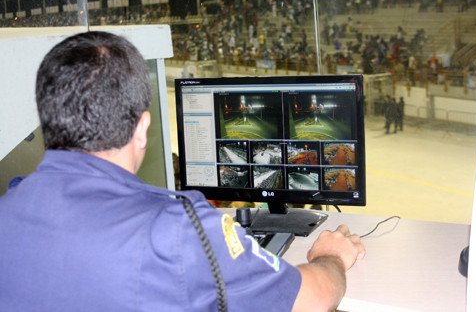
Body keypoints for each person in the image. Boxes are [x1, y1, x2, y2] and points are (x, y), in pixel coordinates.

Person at [0, 32, 365, 312]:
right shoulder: (180, 229)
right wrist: (330, 257)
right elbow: (313, 298)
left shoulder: (8, 209)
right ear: (142, 129)